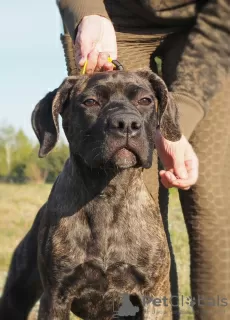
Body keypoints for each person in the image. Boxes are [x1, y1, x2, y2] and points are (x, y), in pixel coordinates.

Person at [56, 1, 230, 319]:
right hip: (113, 16)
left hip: (208, 22)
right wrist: (88, 13)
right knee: (124, 216)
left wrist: (174, 129)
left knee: (213, 212)